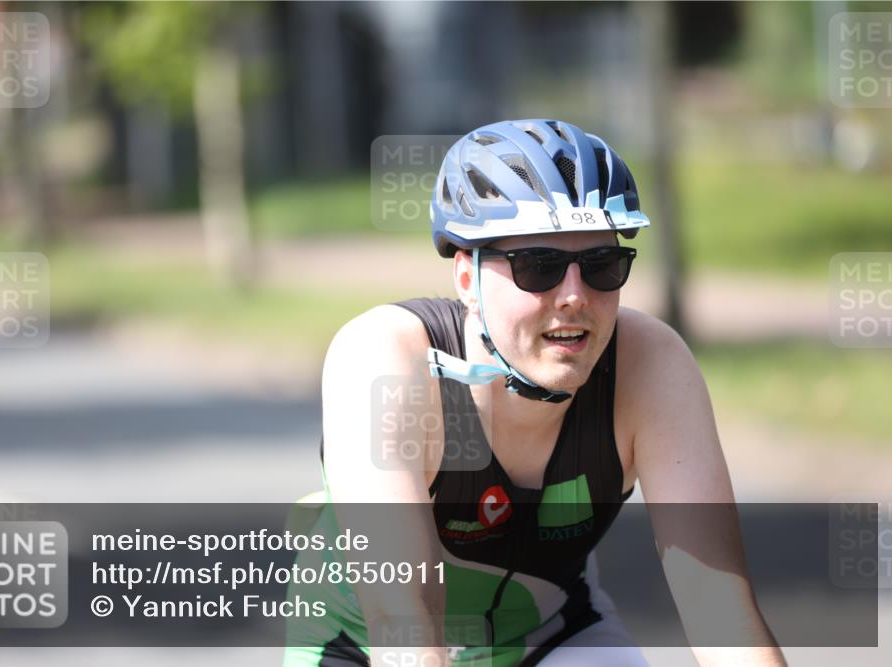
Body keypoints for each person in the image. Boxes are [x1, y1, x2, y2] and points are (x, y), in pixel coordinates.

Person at [284, 119, 786, 666]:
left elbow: (717, 608)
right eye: (538, 266)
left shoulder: (650, 365)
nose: (574, 296)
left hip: (553, 636)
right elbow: (402, 619)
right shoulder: (387, 358)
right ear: (467, 279)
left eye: (601, 266)